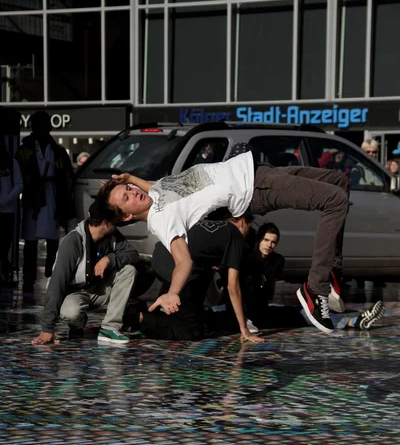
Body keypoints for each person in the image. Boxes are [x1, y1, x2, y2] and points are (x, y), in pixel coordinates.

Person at [97, 144, 349, 335]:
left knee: (340, 182)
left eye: (129, 190)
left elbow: (155, 188)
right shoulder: (162, 220)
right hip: (253, 189)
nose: (133, 193)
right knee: (334, 201)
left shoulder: (157, 193)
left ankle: (331, 271)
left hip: (253, 169)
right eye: (126, 197)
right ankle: (315, 290)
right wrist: (172, 292)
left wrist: (128, 179)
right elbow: (183, 260)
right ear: (128, 216)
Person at [124, 213, 261, 342]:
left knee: (203, 276)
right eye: (249, 228)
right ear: (243, 222)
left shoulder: (211, 225)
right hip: (176, 265)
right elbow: (233, 286)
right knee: (192, 330)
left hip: (161, 255)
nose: (248, 234)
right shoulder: (236, 235)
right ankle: (137, 317)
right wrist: (244, 328)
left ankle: (157, 314)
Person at [239, 222, 385, 332]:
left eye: (273, 242)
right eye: (266, 240)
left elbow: (271, 286)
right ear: (259, 240)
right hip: (242, 310)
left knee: (303, 313)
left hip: (263, 309)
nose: (269, 245)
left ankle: (354, 321)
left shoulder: (277, 260)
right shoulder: (247, 257)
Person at [31, 200, 139, 346]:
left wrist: (109, 259)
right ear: (105, 223)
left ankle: (110, 328)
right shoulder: (73, 242)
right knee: (71, 313)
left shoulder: (112, 236)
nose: (117, 223)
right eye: (114, 220)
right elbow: (57, 284)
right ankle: (78, 323)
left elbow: (133, 254)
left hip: (99, 289)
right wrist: (47, 328)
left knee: (128, 271)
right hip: (74, 293)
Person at [15, 111, 75, 293]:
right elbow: (18, 173)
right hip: (33, 198)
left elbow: (68, 177)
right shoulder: (25, 149)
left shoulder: (57, 151)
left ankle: (52, 276)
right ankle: (28, 281)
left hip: (52, 197)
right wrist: (32, 182)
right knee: (31, 242)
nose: (44, 128)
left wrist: (66, 203)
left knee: (53, 241)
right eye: (40, 124)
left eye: (46, 124)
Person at [0, 140, 23, 287]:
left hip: (7, 210)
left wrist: (6, 199)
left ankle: (3, 271)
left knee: (4, 243)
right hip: (6, 208)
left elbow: (19, 184)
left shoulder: (11, 163)